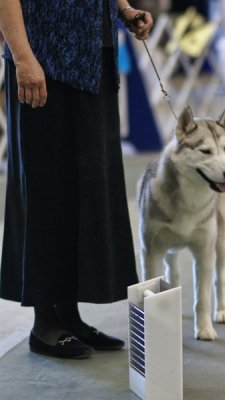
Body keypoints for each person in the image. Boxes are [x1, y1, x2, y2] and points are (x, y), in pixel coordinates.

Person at [0, 0, 153, 359]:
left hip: (93, 55)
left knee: (86, 187)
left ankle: (69, 315)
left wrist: (125, 10)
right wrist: (22, 57)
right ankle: (45, 322)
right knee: (46, 189)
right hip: (41, 58)